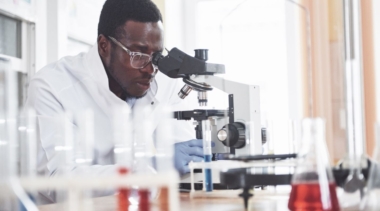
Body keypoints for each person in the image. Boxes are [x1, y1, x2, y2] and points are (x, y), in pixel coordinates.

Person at [26, 0, 204, 203]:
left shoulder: (163, 82)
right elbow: (59, 183)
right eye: (138, 55)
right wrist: (148, 168)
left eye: (156, 57)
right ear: (104, 46)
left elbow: (184, 166)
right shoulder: (53, 86)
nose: (150, 69)